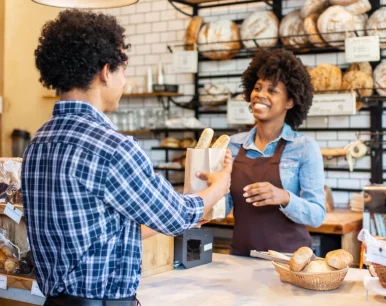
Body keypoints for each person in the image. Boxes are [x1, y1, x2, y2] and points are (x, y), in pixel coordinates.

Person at [22, 9, 231, 306]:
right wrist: (219, 186)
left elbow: (99, 234)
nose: (124, 80)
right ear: (106, 71)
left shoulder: (37, 144)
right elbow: (176, 216)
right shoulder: (113, 148)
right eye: (123, 70)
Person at [226, 49, 326, 256]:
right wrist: (209, 187)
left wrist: (284, 197)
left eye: (272, 91)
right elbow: (221, 210)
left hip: (291, 262)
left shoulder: (304, 147)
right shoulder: (233, 146)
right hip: (241, 259)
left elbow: (317, 215)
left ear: (290, 102)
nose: (260, 94)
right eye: (257, 87)